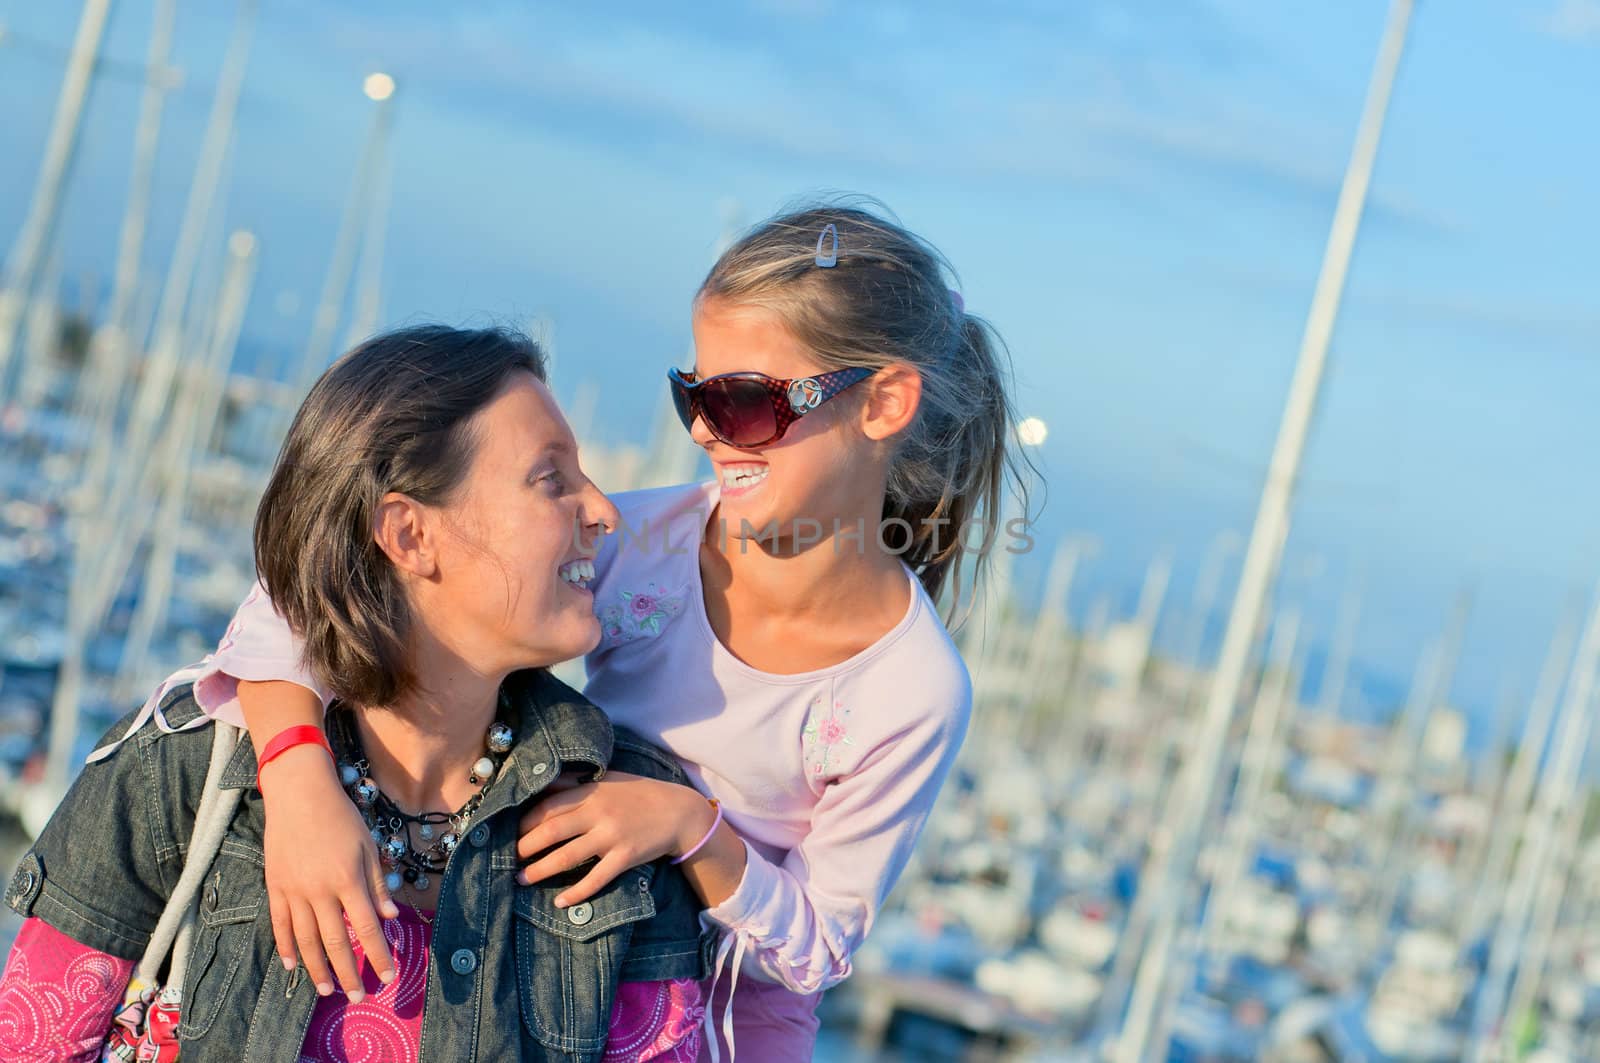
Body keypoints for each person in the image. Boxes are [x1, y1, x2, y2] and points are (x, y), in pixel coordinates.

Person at [137, 202, 1034, 1060]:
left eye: (750, 403)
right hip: (573, 965)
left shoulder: (913, 689)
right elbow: (315, 587)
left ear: (883, 404)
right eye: (697, 396)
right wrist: (296, 778)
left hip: (725, 1024)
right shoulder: (639, 546)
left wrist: (687, 825)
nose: (713, 437)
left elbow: (813, 952)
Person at [0, 325, 710, 1062]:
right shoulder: (181, 772)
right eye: (551, 479)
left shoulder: (632, 819)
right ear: (408, 534)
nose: (603, 511)